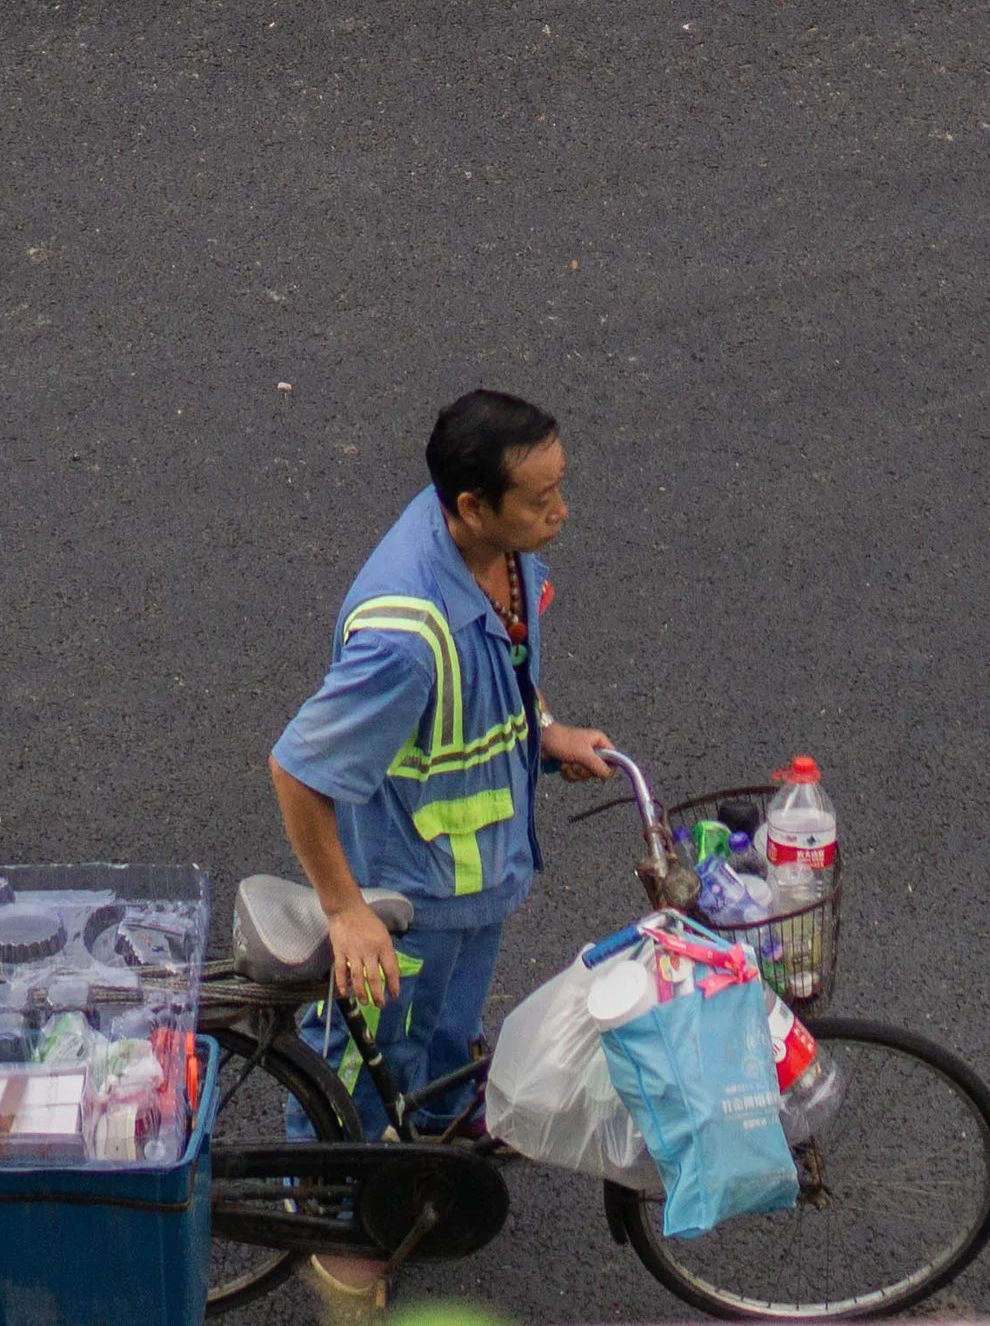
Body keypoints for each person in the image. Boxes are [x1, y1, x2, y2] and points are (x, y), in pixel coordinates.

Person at [268, 390, 614, 1311]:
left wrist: (544, 732)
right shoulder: (402, 635)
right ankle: (334, 1212)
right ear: (469, 505)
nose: (560, 513)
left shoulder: (499, 558)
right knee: (363, 1060)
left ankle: (436, 1121)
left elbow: (501, 671)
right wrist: (346, 911)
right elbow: (298, 773)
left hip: (476, 884)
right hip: (406, 898)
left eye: (560, 488)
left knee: (446, 1037)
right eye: (540, 500)